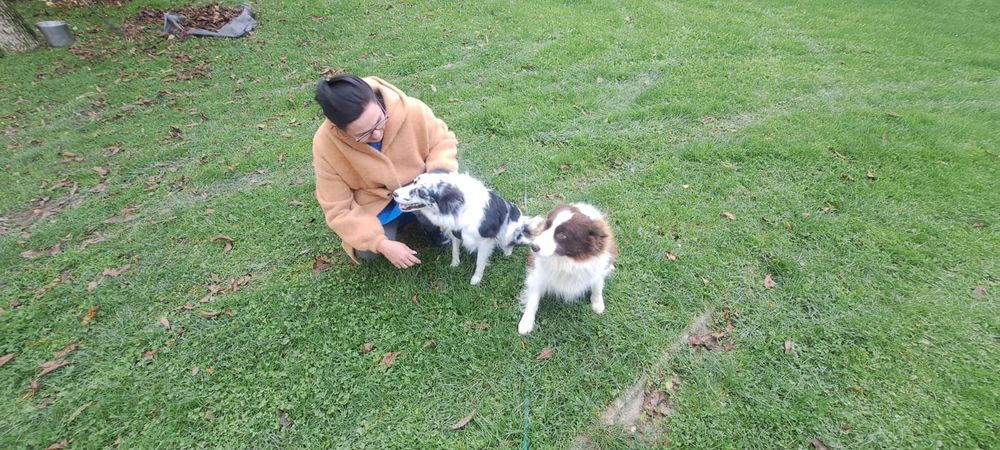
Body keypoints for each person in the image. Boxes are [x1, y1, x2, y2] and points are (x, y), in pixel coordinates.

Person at [312, 74, 458, 268]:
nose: (377, 134)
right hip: (376, 203)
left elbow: (443, 142)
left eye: (381, 121)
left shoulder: (413, 109)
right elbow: (337, 208)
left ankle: (433, 228)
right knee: (367, 252)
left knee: (435, 204)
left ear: (378, 100)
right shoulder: (325, 145)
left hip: (419, 184)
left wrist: (436, 177)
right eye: (364, 134)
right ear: (340, 130)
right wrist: (380, 243)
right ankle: (404, 223)